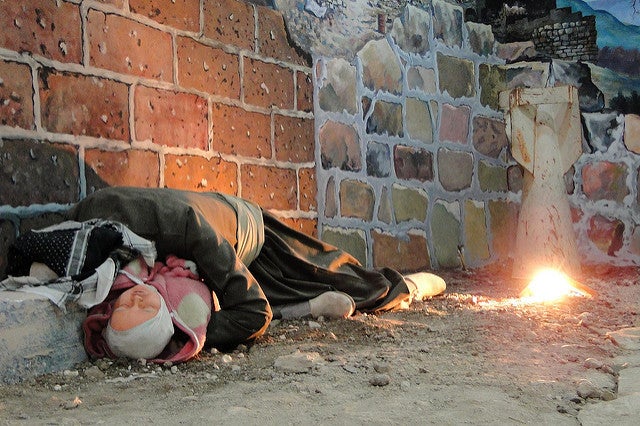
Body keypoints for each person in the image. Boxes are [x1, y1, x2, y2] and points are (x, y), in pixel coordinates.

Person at [24, 186, 447, 361]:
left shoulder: (182, 230)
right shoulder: (109, 258)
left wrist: (190, 332)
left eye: (129, 304)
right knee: (235, 290)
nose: (132, 300)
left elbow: (253, 311)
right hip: (201, 251)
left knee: (347, 278)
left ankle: (409, 285)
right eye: (137, 309)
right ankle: (302, 306)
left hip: (248, 231)